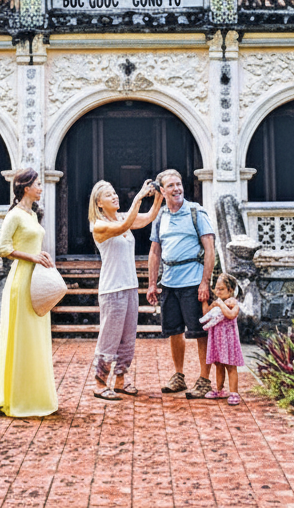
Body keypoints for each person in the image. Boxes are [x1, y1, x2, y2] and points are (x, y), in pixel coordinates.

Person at [0, 168, 58, 417]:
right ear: (26, 188)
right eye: (37, 184)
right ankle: (16, 398)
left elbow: (32, 244)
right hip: (21, 280)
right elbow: (2, 248)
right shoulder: (14, 215)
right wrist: (32, 257)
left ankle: (34, 395)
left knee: (35, 338)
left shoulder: (32, 214)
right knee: (21, 337)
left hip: (36, 279)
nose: (41, 188)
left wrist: (41, 254)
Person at [145, 168, 217, 399]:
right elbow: (155, 251)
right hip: (169, 282)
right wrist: (152, 283)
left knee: (200, 332)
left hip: (193, 282)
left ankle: (204, 379)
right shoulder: (161, 216)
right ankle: (179, 376)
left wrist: (205, 282)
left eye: (179, 184)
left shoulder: (196, 212)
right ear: (162, 191)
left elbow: (210, 249)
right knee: (174, 331)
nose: (177, 189)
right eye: (171, 186)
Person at [88, 178, 162, 400]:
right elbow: (122, 227)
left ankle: (120, 378)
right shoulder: (99, 225)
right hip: (112, 289)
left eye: (114, 192)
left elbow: (149, 217)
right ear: (99, 203)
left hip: (130, 285)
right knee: (110, 337)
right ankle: (100, 383)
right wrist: (139, 196)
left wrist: (159, 195)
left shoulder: (122, 217)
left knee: (128, 338)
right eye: (108, 195)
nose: (114, 196)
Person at [202, 273, 244, 405]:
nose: (218, 292)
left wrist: (221, 305)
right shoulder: (217, 303)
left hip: (229, 340)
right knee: (218, 364)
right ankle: (219, 390)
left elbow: (231, 315)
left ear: (230, 290)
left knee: (230, 366)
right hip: (217, 340)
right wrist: (205, 301)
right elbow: (206, 314)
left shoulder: (233, 303)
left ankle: (234, 392)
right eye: (216, 289)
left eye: (221, 289)